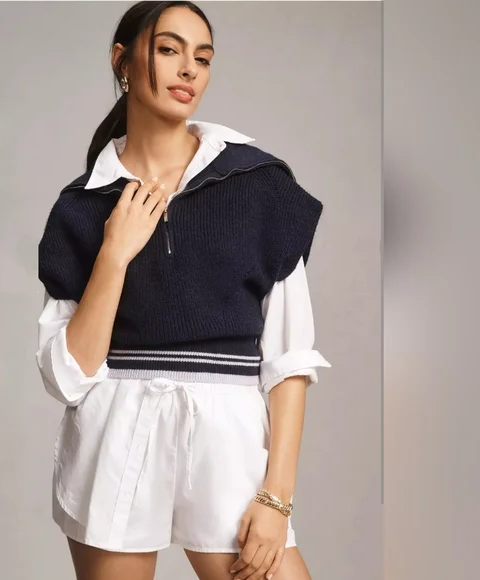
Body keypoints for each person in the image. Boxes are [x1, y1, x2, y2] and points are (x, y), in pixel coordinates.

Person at [36, 2, 331, 579]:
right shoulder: (81, 206)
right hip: (113, 439)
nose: (189, 69)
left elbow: (289, 360)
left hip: (229, 442)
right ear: (122, 61)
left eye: (203, 57)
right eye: (169, 50)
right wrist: (114, 253)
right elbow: (68, 377)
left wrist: (276, 497)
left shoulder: (258, 185)